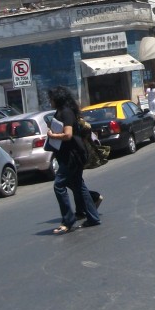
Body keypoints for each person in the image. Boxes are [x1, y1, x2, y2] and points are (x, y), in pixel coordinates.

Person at [47, 86, 101, 234]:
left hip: (72, 156)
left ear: (57, 99)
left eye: (51, 98)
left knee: (59, 185)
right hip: (69, 154)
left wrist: (52, 135)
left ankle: (68, 220)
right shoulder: (61, 112)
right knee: (78, 186)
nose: (50, 101)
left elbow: (68, 135)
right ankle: (93, 217)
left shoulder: (66, 112)